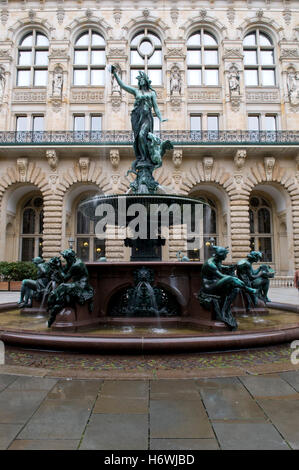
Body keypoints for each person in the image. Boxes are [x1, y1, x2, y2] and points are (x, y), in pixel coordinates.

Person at [111, 66, 167, 168]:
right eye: (139, 80)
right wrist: (115, 74)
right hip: (137, 116)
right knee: (137, 138)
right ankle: (142, 157)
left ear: (146, 81)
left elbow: (156, 108)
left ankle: (145, 158)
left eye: (142, 79)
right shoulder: (136, 92)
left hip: (146, 117)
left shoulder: (151, 93)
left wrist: (160, 118)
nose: (141, 81)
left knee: (142, 135)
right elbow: (123, 86)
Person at [198, 246, 256, 330]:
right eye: (225, 255)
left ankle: (225, 310)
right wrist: (233, 278)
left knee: (236, 288)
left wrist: (229, 268)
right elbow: (221, 276)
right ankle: (247, 289)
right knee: (230, 279)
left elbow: (221, 268)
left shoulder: (218, 260)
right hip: (209, 287)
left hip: (216, 283)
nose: (226, 256)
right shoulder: (210, 264)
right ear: (220, 255)